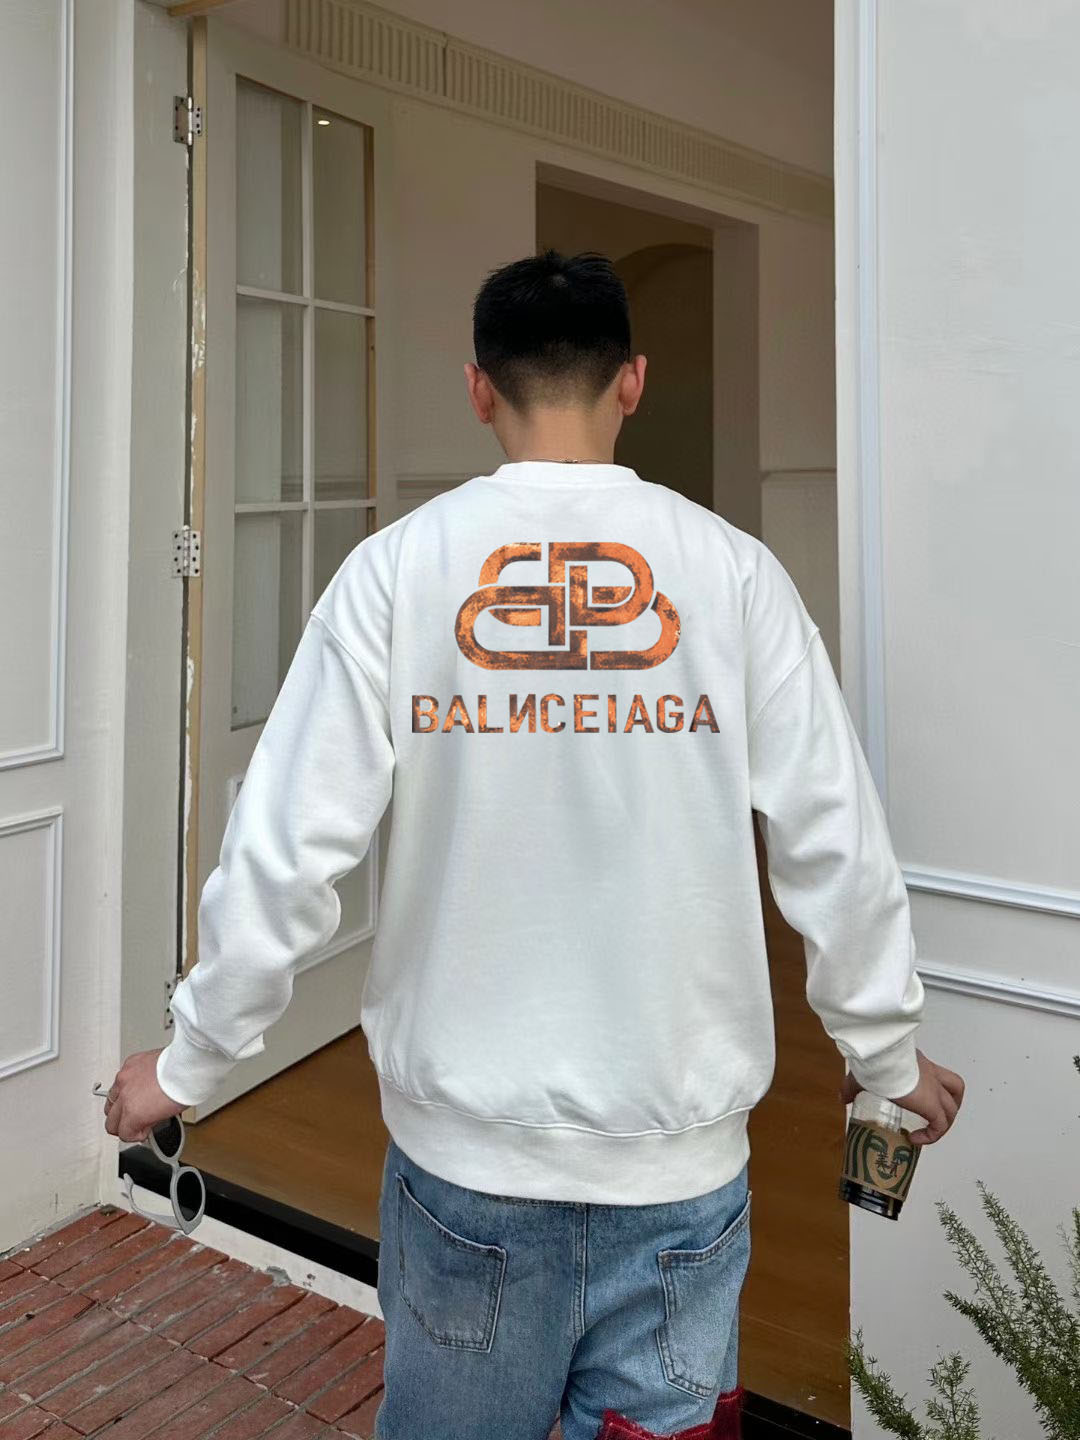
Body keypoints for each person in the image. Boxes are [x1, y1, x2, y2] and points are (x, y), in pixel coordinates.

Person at [103, 249, 965, 1440]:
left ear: (477, 388)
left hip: (468, 1181)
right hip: (678, 1181)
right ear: (633, 381)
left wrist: (191, 1063)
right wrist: (888, 1056)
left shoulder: (397, 572)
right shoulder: (735, 576)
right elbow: (836, 843)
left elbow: (286, 849)